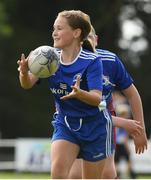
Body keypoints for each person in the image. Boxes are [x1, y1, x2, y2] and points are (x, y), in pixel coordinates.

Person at [17, 10, 114, 179]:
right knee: (58, 174)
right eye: (54, 28)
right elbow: (27, 84)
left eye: (60, 28)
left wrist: (79, 93)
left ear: (76, 33)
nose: (54, 32)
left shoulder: (91, 61)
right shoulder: (48, 58)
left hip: (95, 127)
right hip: (65, 122)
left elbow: (97, 98)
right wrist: (24, 73)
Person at [68, 26, 148, 179]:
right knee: (75, 174)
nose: (86, 44)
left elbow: (132, 94)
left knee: (108, 174)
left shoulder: (110, 61)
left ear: (96, 40)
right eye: (82, 40)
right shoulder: (69, 64)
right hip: (74, 122)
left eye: (89, 38)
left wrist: (140, 129)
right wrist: (125, 123)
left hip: (103, 121)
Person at [114, 100, 136, 179]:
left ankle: (117, 177)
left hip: (115, 145)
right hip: (121, 144)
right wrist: (128, 148)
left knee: (116, 163)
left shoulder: (115, 122)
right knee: (128, 161)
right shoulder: (124, 124)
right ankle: (131, 176)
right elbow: (124, 138)